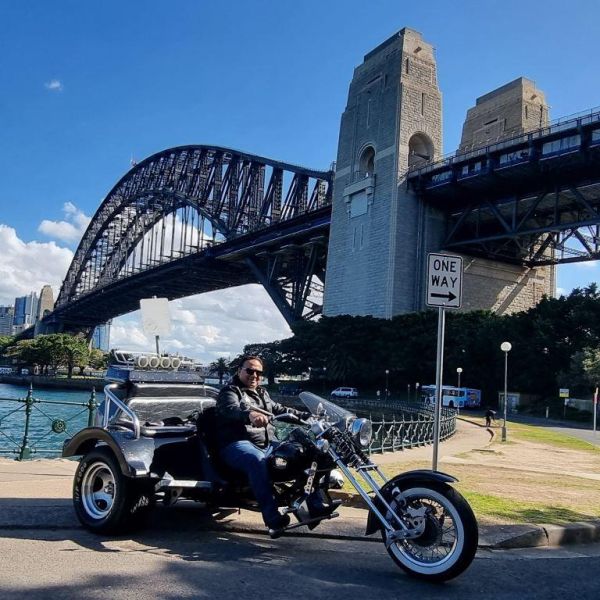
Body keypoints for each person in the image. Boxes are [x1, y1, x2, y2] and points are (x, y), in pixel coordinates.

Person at [215, 355, 310, 532]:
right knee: (256, 460)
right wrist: (249, 416)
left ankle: (306, 502)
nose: (254, 375)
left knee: (301, 453)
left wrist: (308, 417)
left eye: (258, 372)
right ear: (239, 371)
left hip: (268, 443)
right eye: (249, 370)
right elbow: (231, 409)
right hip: (238, 444)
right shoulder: (230, 391)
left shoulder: (262, 393)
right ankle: (272, 517)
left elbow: (281, 409)